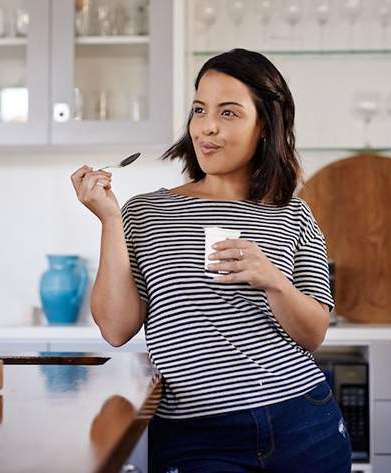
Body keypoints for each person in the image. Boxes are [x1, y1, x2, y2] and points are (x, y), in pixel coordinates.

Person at [71, 49, 352, 472]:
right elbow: (115, 328)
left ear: (264, 127)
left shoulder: (292, 213)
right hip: (196, 435)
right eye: (200, 109)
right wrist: (110, 219)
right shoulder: (145, 213)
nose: (208, 126)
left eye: (230, 113)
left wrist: (273, 280)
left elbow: (313, 335)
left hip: (302, 423)